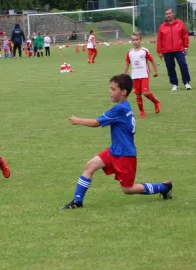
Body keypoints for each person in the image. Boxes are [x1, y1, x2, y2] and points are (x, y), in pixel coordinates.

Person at [60, 74, 173, 209]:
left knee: (128, 189)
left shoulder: (119, 109)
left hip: (125, 155)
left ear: (123, 92)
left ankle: (164, 187)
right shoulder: (124, 106)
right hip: (115, 150)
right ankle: (77, 202)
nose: (110, 92)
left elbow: (97, 123)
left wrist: (77, 121)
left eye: (113, 89)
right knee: (90, 165)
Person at [123, 32, 161, 118]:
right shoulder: (130, 52)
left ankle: (156, 102)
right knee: (137, 94)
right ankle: (142, 111)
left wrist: (156, 71)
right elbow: (127, 64)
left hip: (144, 75)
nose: (135, 41)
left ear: (140, 40)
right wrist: (123, 75)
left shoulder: (144, 51)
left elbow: (152, 60)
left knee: (145, 92)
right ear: (131, 41)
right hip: (135, 76)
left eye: (137, 40)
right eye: (133, 40)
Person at [157, 8, 192, 91]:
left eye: (169, 13)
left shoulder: (180, 24)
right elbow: (159, 40)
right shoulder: (162, 27)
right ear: (165, 15)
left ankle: (186, 83)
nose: (168, 15)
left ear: (173, 14)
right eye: (166, 14)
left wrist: (186, 47)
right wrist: (160, 51)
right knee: (170, 68)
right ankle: (174, 84)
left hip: (179, 49)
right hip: (167, 51)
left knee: (183, 65)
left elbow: (185, 36)